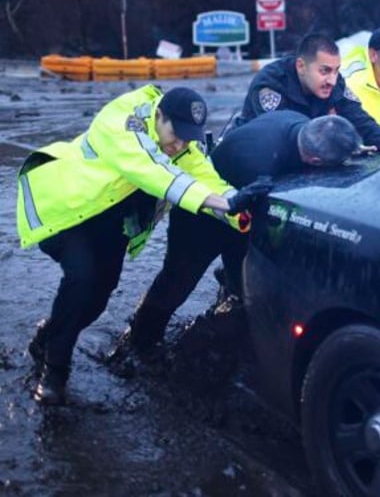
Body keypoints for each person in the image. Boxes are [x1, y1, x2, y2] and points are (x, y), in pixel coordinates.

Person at [16, 85, 262, 406]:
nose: (180, 145)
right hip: (67, 209)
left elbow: (209, 180)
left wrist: (241, 209)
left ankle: (48, 337)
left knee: (99, 295)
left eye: (189, 139)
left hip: (109, 221)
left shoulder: (183, 146)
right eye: (176, 134)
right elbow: (154, 172)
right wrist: (213, 200)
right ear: (158, 115)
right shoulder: (121, 120)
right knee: (82, 277)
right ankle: (54, 374)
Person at [118, 111, 363, 358]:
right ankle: (139, 343)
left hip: (243, 208)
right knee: (177, 282)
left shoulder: (298, 121)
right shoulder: (258, 162)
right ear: (315, 160)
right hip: (203, 215)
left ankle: (229, 318)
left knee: (243, 281)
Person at [235, 32, 380, 153]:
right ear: (301, 66)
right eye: (325, 71)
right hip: (253, 152)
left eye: (336, 70)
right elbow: (280, 138)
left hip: (304, 152)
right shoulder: (271, 84)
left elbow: (359, 118)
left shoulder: (334, 82)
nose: (332, 80)